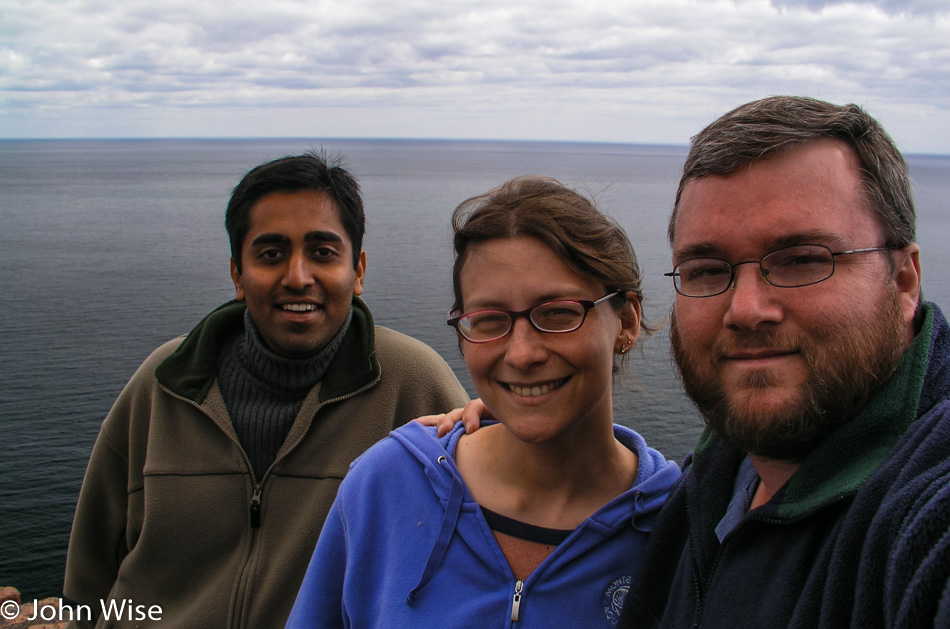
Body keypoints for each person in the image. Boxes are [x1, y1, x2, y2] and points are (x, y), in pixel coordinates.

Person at [63, 152, 469, 628]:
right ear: (238, 273)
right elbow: (89, 574)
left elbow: (485, 525)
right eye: (271, 254)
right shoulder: (166, 383)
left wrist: (501, 422)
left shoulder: (411, 383)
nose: (298, 277)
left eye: (323, 252)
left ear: (357, 270)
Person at [286, 176, 681, 628]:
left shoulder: (678, 528)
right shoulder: (388, 485)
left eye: (558, 313)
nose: (522, 354)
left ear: (626, 320)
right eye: (488, 320)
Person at [617, 96, 950, 628]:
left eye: (802, 260)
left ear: (904, 280)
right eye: (706, 270)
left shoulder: (925, 510)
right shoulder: (714, 480)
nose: (746, 310)